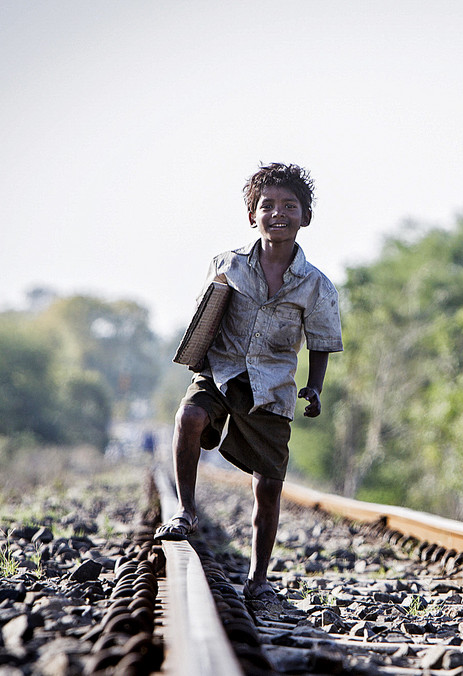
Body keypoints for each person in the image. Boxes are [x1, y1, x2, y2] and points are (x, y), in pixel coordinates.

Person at [155, 163, 342, 605]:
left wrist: (314, 388)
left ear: (305, 217)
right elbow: (206, 318)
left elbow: (321, 342)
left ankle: (259, 578)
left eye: (289, 206)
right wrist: (196, 359)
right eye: (268, 206)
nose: (278, 214)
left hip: (273, 386)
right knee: (190, 415)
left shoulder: (317, 286)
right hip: (221, 372)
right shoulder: (227, 264)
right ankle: (186, 510)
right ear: (252, 216)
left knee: (269, 483)